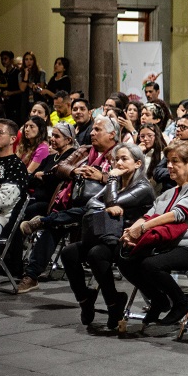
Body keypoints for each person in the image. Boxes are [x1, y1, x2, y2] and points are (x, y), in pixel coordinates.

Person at [17, 115, 119, 293]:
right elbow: (59, 167)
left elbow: (127, 181)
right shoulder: (85, 150)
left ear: (112, 135)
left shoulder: (120, 153)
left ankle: (46, 221)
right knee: (54, 226)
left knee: (55, 222)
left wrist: (101, 177)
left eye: (97, 130)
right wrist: (74, 171)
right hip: (72, 203)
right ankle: (31, 275)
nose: (92, 133)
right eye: (93, 129)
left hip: (102, 209)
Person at [118, 142, 188, 326]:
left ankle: (181, 301)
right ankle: (159, 300)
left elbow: (178, 215)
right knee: (125, 260)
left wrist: (144, 227)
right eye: (168, 162)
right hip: (167, 246)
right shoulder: (169, 192)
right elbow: (148, 215)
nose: (169, 166)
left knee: (151, 265)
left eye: (175, 161)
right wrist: (132, 232)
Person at [60, 143, 154, 330]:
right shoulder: (118, 182)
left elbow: (113, 201)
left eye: (124, 159)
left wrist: (111, 179)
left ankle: (113, 304)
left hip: (128, 239)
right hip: (105, 234)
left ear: (137, 164)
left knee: (96, 254)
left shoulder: (143, 187)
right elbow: (93, 201)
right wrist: (108, 204)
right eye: (116, 159)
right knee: (69, 252)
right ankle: (85, 299)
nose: (118, 163)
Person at [153, 113, 188, 184]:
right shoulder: (174, 146)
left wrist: (171, 173)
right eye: (177, 126)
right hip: (169, 190)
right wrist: (176, 172)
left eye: (183, 127)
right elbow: (157, 172)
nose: (178, 129)